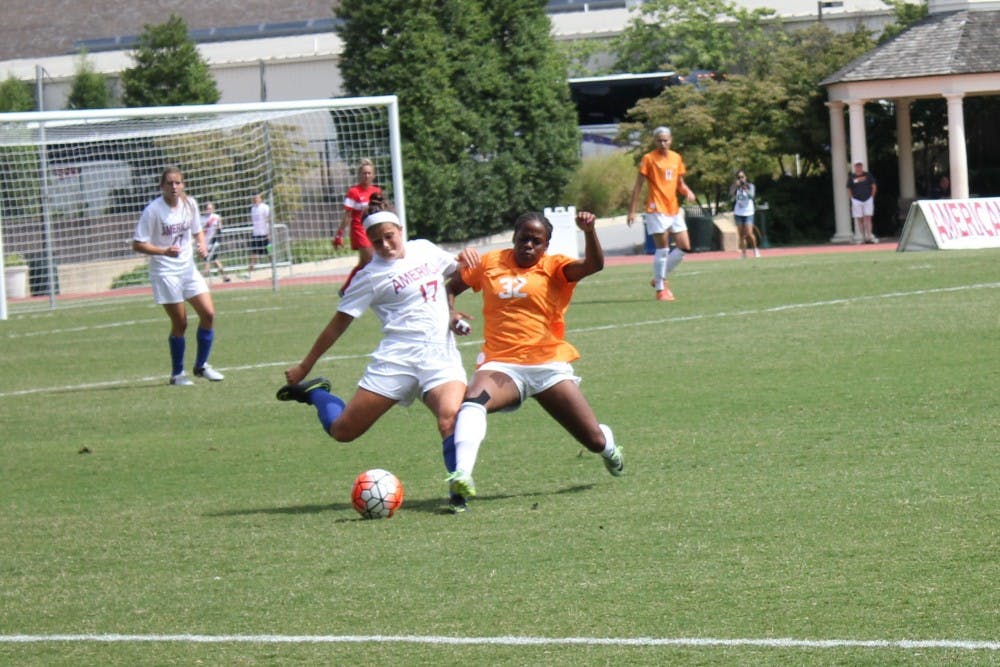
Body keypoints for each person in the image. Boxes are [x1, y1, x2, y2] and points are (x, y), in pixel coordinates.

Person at [276, 195, 481, 513]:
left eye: (390, 236)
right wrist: (305, 366)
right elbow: (337, 326)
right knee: (343, 431)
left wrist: (454, 302)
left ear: (400, 229)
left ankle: (458, 490)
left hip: (440, 357)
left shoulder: (424, 249)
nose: (385, 245)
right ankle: (316, 394)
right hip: (396, 360)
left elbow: (457, 276)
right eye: (376, 241)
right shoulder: (368, 276)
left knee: (450, 419)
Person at [444, 209, 624, 508]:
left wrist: (589, 232)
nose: (528, 245)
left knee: (593, 440)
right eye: (523, 238)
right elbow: (450, 288)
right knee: (472, 403)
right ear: (513, 237)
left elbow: (594, 265)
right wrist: (450, 313)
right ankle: (462, 476)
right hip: (500, 365)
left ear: (546, 246)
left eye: (536, 241)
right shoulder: (489, 263)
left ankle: (609, 447)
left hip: (548, 366)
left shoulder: (555, 268)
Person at [131, 166, 224, 386]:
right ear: (162, 187)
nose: (174, 187)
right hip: (165, 271)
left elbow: (196, 230)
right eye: (169, 183)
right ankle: (177, 374)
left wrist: (201, 245)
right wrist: (163, 251)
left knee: (208, 315)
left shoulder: (190, 204)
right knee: (180, 323)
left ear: (183, 185)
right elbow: (138, 244)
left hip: (188, 269)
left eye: (178, 182)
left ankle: (201, 366)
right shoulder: (153, 211)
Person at [627, 126, 697, 301]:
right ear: (655, 141)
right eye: (659, 140)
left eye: (666, 140)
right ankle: (660, 289)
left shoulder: (676, 158)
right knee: (663, 248)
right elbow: (638, 186)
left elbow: (679, 183)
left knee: (684, 247)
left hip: (673, 208)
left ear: (671, 140)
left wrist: (687, 191)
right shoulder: (648, 159)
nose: (663, 143)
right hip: (656, 208)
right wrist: (632, 210)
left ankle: (659, 276)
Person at [334, 159, 382, 297]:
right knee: (369, 259)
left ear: (373, 175)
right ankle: (351, 288)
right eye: (363, 173)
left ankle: (347, 288)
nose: (366, 176)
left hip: (372, 229)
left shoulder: (376, 191)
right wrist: (339, 235)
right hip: (359, 230)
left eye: (369, 173)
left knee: (365, 262)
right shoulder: (353, 192)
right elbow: (347, 216)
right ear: (359, 175)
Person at [729, 170, 759, 258]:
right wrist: (735, 187)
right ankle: (744, 253)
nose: (741, 179)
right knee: (741, 234)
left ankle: (755, 250)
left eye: (742, 177)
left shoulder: (750, 186)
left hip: (748, 211)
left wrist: (745, 188)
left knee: (749, 233)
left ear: (745, 177)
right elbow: (730, 195)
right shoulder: (735, 186)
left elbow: (752, 196)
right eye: (739, 177)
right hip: (738, 212)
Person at [847, 161, 878, 244]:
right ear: (855, 167)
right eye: (857, 166)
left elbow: (873, 186)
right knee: (859, 219)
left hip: (868, 199)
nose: (858, 168)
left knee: (868, 218)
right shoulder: (852, 177)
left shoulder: (868, 175)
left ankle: (869, 236)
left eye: (860, 166)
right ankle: (863, 237)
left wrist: (872, 196)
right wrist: (852, 199)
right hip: (856, 200)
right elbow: (849, 189)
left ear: (862, 167)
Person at [200, 201, 230, 282]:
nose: (208, 210)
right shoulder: (201, 219)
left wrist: (217, 240)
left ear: (213, 209)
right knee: (215, 260)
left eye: (210, 208)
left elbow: (220, 229)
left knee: (207, 261)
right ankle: (225, 276)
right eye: (207, 208)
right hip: (204, 243)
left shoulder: (216, 217)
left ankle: (201, 279)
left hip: (213, 243)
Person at [245, 193, 270, 278]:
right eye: (254, 198)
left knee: (269, 252)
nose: (255, 200)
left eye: (257, 198)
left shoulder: (265, 207)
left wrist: (268, 233)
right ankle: (249, 273)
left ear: (260, 198)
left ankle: (275, 270)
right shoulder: (252, 208)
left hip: (264, 234)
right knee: (253, 254)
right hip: (256, 234)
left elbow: (267, 220)